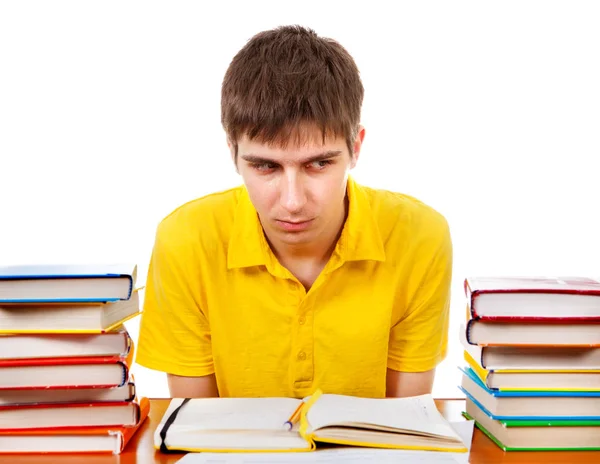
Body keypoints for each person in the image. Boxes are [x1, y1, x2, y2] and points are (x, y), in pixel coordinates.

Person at [135, 25, 452, 400]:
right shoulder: (187, 240)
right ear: (233, 152)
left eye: (318, 164)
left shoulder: (419, 235)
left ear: (356, 147)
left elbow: (405, 423)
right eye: (266, 167)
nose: (292, 201)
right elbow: (196, 427)